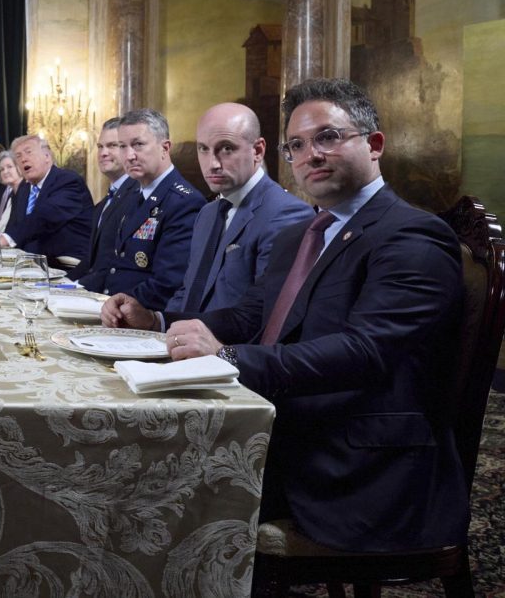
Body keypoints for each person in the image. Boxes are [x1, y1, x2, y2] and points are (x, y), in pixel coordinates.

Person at [104, 78, 468, 553]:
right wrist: (155, 320)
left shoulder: (413, 235)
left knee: (156, 486)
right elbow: (254, 311)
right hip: (297, 426)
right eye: (296, 145)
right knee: (128, 464)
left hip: (357, 466)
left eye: (328, 137)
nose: (309, 154)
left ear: (374, 145)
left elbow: (366, 351)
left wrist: (227, 357)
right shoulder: (308, 231)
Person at [160, 102, 312, 312]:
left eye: (226, 149)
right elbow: (189, 291)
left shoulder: (286, 214)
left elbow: (264, 313)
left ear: (258, 151)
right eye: (203, 149)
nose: (212, 163)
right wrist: (156, 322)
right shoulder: (208, 212)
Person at [77, 108, 205, 308]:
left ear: (165, 148)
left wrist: (114, 306)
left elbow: (168, 284)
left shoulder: (184, 202)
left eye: (138, 145)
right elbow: (113, 267)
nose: (129, 156)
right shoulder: (133, 195)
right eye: (122, 146)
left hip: (143, 318)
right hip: (111, 307)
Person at [0, 135, 93, 268]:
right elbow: (18, 225)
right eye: (18, 156)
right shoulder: (26, 189)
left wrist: (2, 241)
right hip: (31, 264)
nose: (23, 159)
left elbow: (44, 216)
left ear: (47, 156)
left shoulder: (67, 181)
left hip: (66, 265)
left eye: (29, 152)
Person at [70, 117, 138, 281]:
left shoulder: (138, 195)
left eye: (112, 145)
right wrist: (60, 285)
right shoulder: (102, 204)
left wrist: (79, 286)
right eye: (100, 146)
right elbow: (91, 260)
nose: (103, 153)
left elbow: (119, 263)